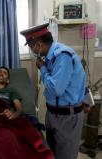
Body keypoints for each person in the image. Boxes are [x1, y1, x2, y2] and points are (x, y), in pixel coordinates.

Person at [20, 23, 86, 159]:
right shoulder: (51, 57)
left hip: (66, 117)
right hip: (53, 114)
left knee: (65, 155)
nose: (32, 50)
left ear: (38, 45)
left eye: (31, 46)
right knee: (52, 153)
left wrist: (42, 68)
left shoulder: (63, 56)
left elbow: (57, 89)